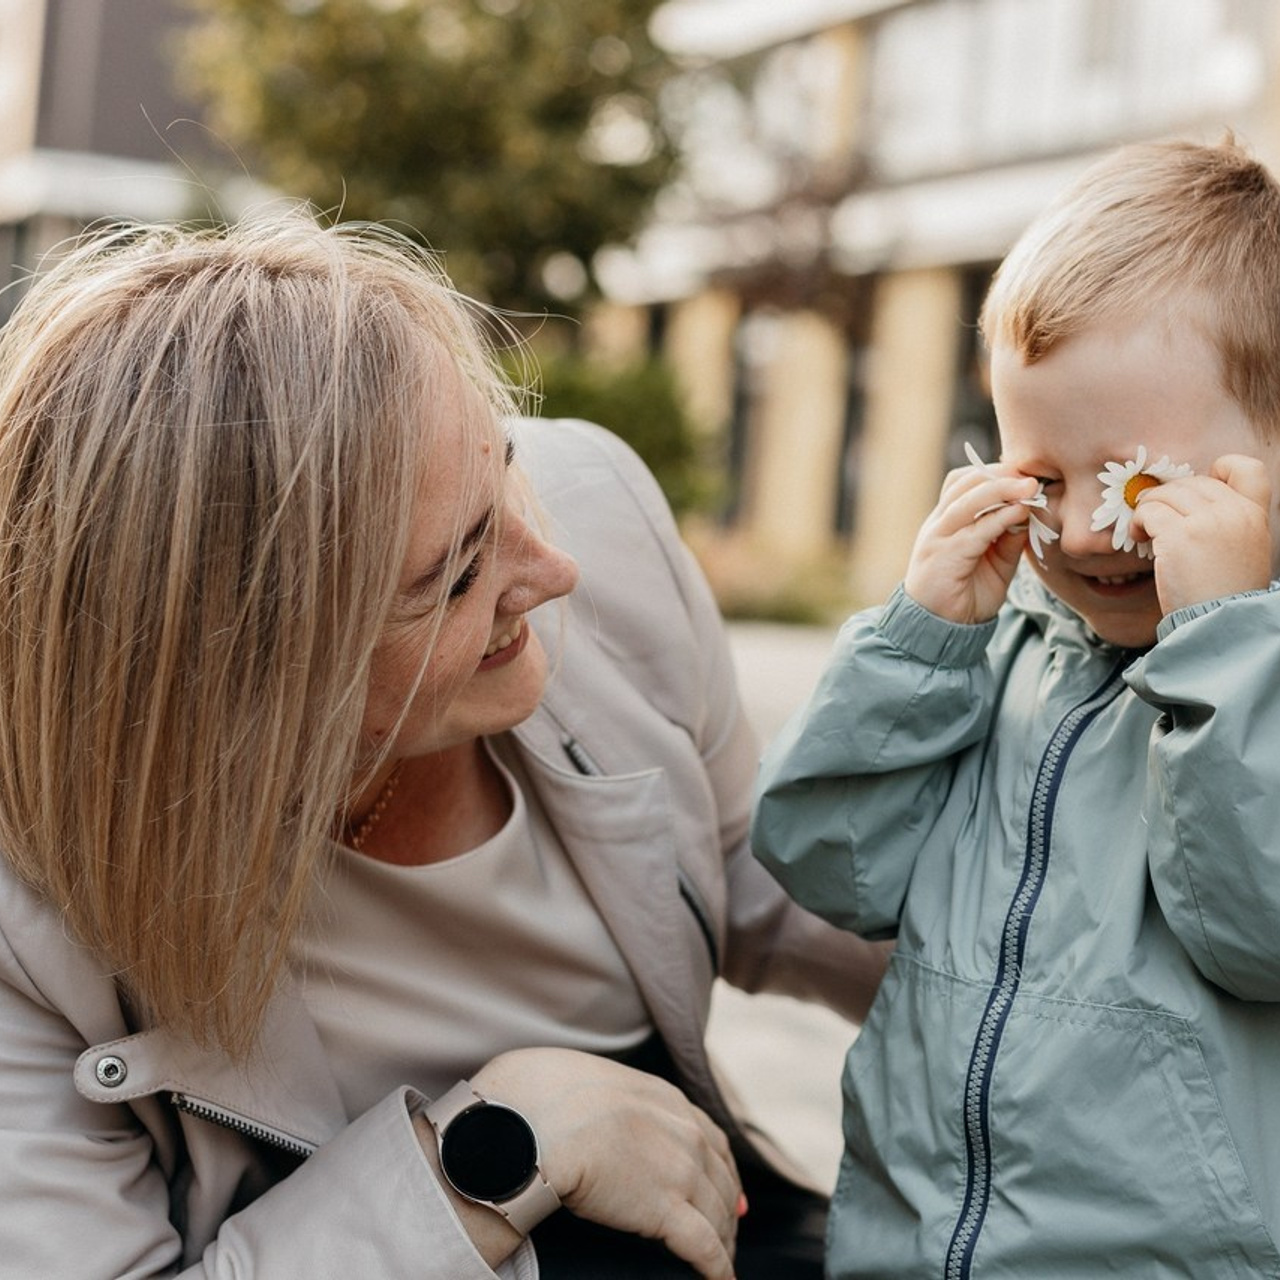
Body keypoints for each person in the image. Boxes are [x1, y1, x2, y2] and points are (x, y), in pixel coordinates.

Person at [0, 214, 889, 1279]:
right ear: (247, 677)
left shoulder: (596, 515)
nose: (551, 567)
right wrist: (500, 1145)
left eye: (504, 467)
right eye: (457, 575)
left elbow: (769, 876)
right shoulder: (26, 902)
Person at [751, 135, 1280, 1277]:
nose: (1087, 531)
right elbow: (827, 867)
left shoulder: (1262, 675)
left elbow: (1261, 926)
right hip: (907, 1243)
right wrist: (918, 641)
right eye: (1041, 479)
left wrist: (1221, 648)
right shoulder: (996, 653)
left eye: (1140, 482)